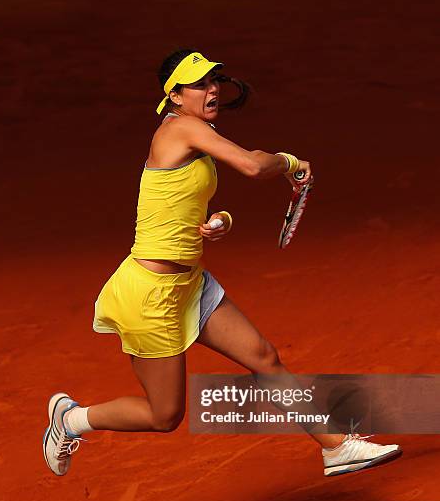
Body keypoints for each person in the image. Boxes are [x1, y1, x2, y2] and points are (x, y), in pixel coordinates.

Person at [43, 49, 401, 478]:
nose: (211, 89)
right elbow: (252, 165)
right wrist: (289, 162)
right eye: (198, 84)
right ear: (174, 96)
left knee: (264, 357)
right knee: (165, 415)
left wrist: (219, 221)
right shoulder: (180, 130)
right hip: (149, 295)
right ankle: (71, 419)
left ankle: (335, 447)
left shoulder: (196, 138)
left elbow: (188, 207)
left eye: (214, 81)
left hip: (190, 283)